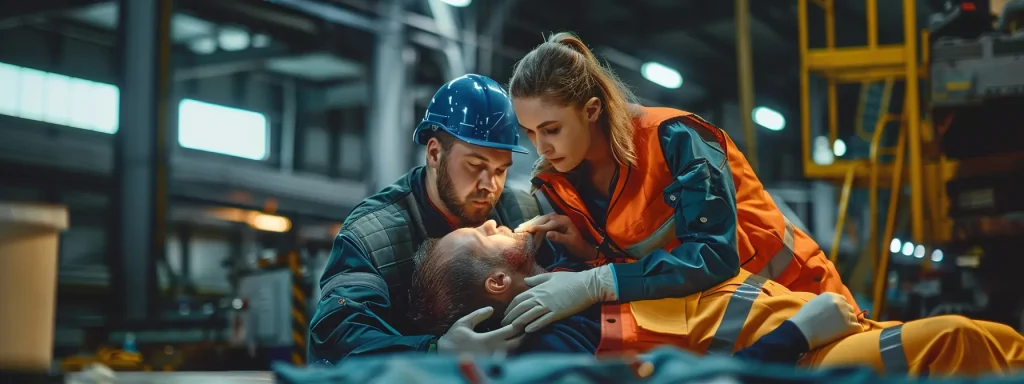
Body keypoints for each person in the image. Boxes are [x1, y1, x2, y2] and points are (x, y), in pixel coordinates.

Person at [501, 32, 858, 337]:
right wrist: (588, 255)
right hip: (726, 327)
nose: (540, 146)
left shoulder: (676, 139)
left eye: (551, 129)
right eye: (529, 131)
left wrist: (597, 282)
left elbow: (715, 255)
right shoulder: (561, 179)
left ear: (591, 110)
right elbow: (640, 262)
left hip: (806, 301)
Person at [410, 223, 1024, 377]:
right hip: (797, 360)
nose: (500, 221)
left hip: (824, 329)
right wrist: (797, 336)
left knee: (991, 341)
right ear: (498, 282)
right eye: (488, 235)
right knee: (956, 341)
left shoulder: (567, 277)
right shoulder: (558, 341)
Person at [307, 74, 558, 363]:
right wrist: (433, 352)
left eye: (501, 170)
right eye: (475, 166)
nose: (490, 184)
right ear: (435, 153)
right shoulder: (373, 235)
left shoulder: (522, 212)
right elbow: (336, 334)